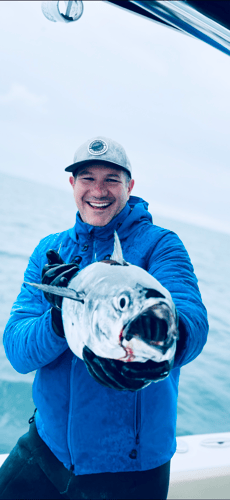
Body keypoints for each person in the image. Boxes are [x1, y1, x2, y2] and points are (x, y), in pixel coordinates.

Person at [0, 136, 208, 500]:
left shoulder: (162, 244)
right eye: (87, 178)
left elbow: (191, 316)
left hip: (130, 472)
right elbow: (16, 351)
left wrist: (165, 349)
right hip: (45, 448)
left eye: (112, 179)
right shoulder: (52, 250)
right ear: (72, 185)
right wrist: (58, 318)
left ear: (130, 186)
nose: (99, 190)